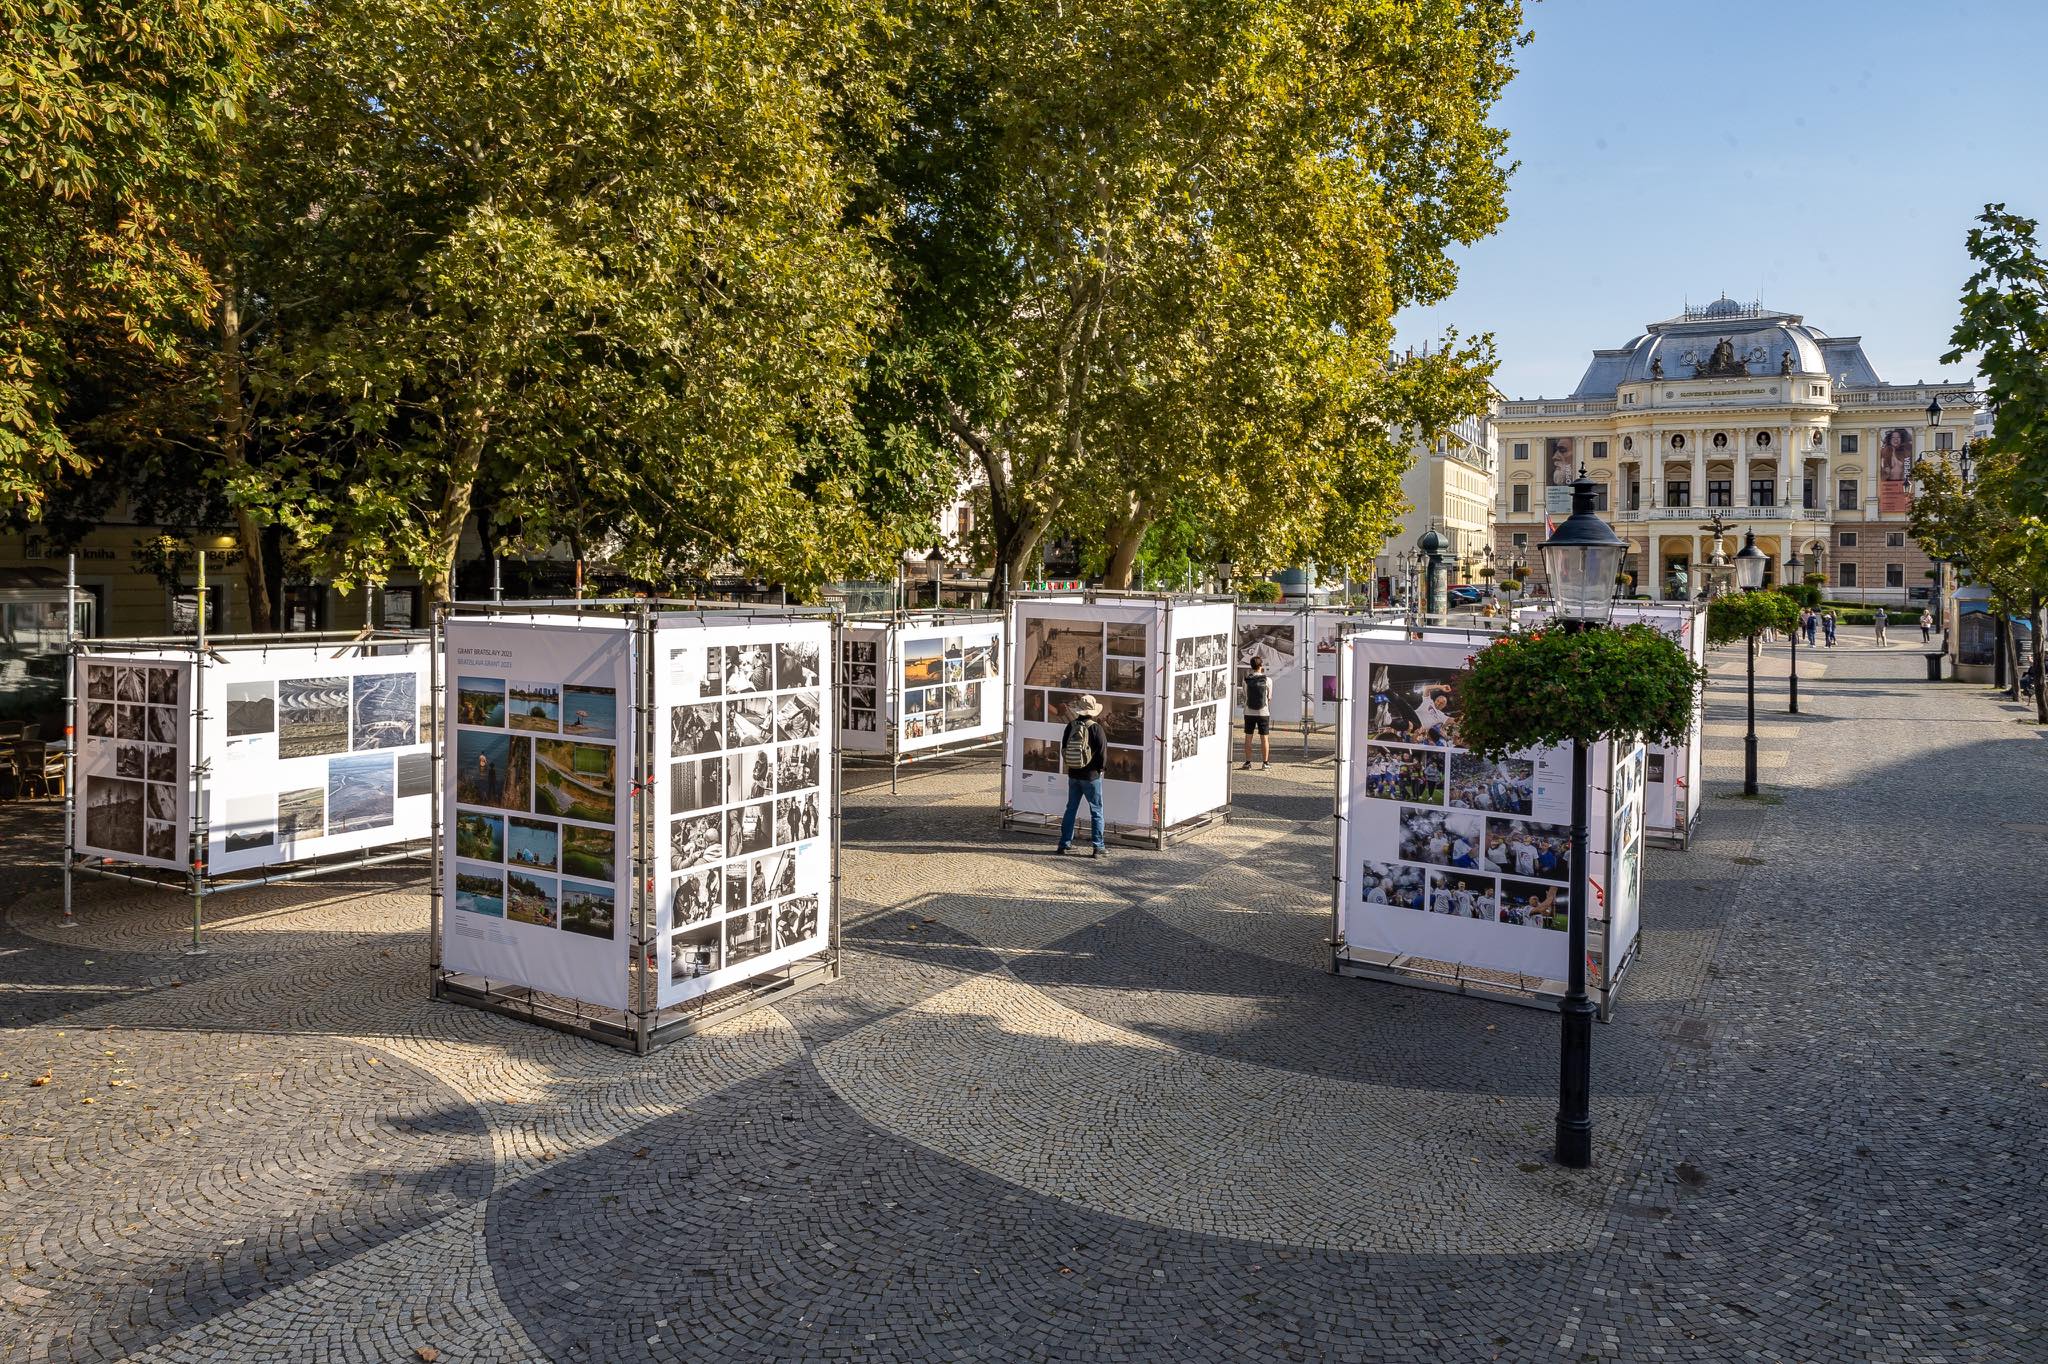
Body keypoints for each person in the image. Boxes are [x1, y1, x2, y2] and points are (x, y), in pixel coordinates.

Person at [1055, 694, 1108, 858]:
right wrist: (1101, 770)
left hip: (1073, 774)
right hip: (1091, 776)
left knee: (1071, 809)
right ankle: (1098, 847)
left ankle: (1064, 844)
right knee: (1096, 811)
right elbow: (1102, 753)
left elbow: (1064, 748)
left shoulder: (1070, 726)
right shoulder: (1096, 728)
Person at [1241, 656, 1272, 770]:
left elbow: (1245, 695)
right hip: (1263, 712)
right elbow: (1269, 697)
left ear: (1251, 666)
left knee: (1248, 737)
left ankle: (1248, 763)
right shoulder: (1268, 680)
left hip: (1249, 712)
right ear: (1261, 666)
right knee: (1264, 738)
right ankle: (1265, 763)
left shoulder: (1246, 680)